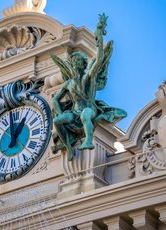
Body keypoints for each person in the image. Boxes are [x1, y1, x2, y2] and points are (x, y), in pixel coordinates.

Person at [51, 13, 126, 160]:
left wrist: (99, 37)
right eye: (73, 61)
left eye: (78, 60)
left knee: (85, 114)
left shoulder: (89, 77)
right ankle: (68, 147)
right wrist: (60, 113)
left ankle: (87, 141)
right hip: (74, 112)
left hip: (89, 109)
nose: (75, 62)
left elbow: (98, 60)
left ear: (84, 63)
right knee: (57, 121)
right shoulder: (69, 83)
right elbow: (55, 99)